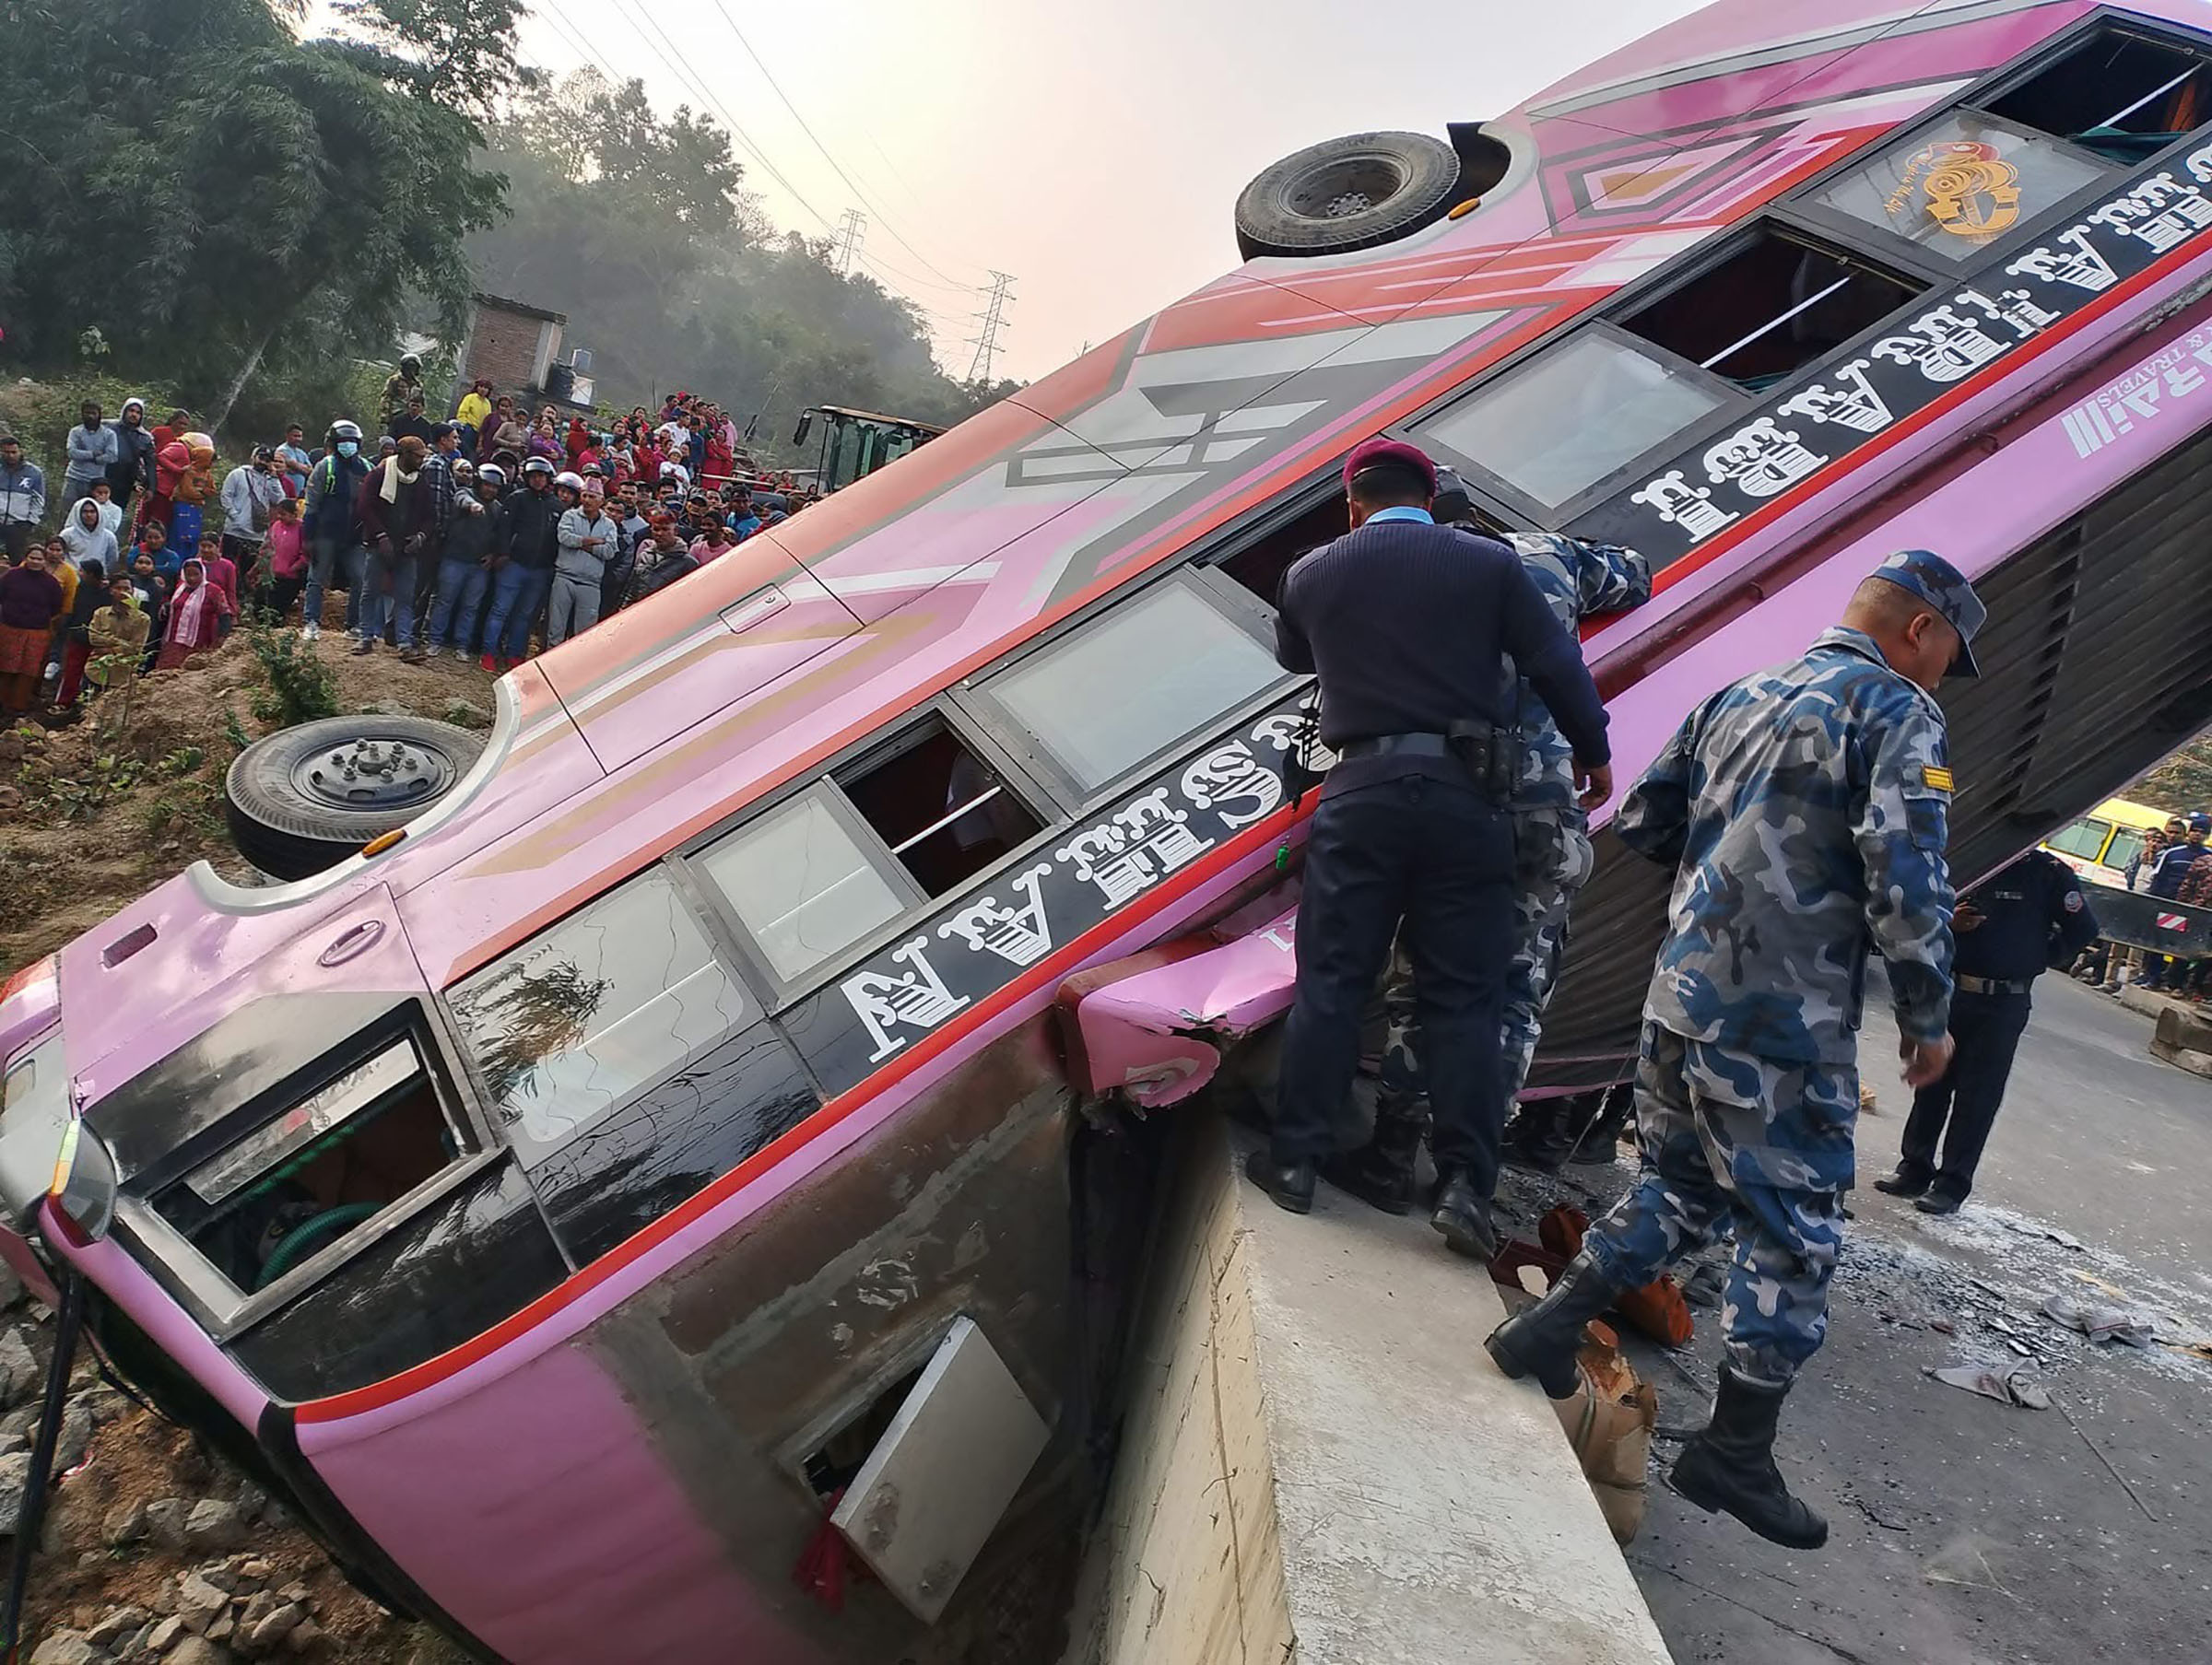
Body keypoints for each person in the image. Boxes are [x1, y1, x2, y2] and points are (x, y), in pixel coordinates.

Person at [1487, 547, 1982, 1551]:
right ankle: (1736, 1450)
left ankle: (1542, 1329)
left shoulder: (1740, 691)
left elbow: (1644, 817)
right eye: (1948, 655)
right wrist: (1928, 1015)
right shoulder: (1895, 712)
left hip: (1682, 996)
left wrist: (1732, 876)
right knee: (1795, 1227)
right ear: (1919, 629)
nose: (1942, 677)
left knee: (1682, 1188)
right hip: (1781, 1025)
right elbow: (1909, 873)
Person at [1245, 439, 1613, 1249]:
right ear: (1431, 493)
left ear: (1352, 504)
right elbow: (1556, 666)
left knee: (1335, 981)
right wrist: (1593, 751)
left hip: (1362, 794)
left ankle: (1296, 1165)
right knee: (1467, 1000)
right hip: (1468, 801)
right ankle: (1463, 1191)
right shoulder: (1489, 566)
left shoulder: (1313, 572)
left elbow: (1295, 654)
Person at [1875, 851, 2098, 1215]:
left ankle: (1951, 1184)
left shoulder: (2048, 873)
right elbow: (1921, 916)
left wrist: (2035, 957)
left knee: (1978, 1095)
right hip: (1952, 990)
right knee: (1933, 1083)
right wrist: (1951, 923)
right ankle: (1914, 1168)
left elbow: (2084, 929)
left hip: (2003, 1002)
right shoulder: (1977, 855)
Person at [355, 435, 434, 662]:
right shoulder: (379, 475)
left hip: (407, 547)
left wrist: (421, 536)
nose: (422, 461)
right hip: (378, 544)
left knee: (405, 597)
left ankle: (404, 644)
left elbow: (430, 516)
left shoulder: (419, 481)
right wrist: (381, 536)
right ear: (405, 455)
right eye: (418, 457)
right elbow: (364, 506)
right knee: (370, 591)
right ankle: (366, 637)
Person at [483, 455, 561, 671]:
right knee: (500, 610)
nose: (537, 480)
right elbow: (503, 528)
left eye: (541, 476)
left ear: (548, 478)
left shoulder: (556, 505)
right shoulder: (517, 498)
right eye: (533, 476)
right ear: (526, 478)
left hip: (540, 569)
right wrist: (503, 553)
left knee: (524, 616)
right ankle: (489, 652)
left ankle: (515, 654)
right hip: (514, 564)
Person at [301, 420, 371, 641]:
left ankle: (353, 625)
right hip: (326, 534)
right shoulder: (326, 466)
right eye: (343, 442)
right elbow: (311, 504)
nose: (348, 446)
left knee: (360, 579)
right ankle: (311, 622)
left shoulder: (367, 469)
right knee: (316, 579)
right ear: (334, 443)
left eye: (352, 442)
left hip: (354, 537)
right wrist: (309, 537)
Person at [428, 463, 503, 657]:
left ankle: (462, 644)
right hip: (455, 559)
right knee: (445, 601)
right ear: (479, 482)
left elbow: (499, 535)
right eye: (487, 485)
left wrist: (493, 554)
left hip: (479, 565)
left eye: (495, 487)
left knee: (470, 607)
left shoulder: (497, 509)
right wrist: (473, 506)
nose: (490, 489)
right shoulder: (465, 493)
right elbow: (462, 498)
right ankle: (434, 640)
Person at [548, 475, 616, 646]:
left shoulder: (609, 525)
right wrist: (594, 541)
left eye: (592, 496)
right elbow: (565, 538)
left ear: (601, 500)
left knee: (584, 635)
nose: (587, 500)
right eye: (584, 495)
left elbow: (609, 551)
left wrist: (581, 543)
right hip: (565, 576)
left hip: (591, 583)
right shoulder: (570, 515)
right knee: (556, 628)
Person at [0, 547, 65, 718]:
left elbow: (56, 607)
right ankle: (2, 702)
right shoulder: (11, 576)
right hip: (10, 628)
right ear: (26, 558)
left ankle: (19, 705)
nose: (36, 562)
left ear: (44, 561)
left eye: (39, 559)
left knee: (28, 670)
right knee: (6, 667)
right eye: (32, 558)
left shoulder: (51, 583)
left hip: (37, 632)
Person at [219, 445, 285, 591]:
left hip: (256, 533)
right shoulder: (237, 474)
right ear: (253, 457)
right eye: (261, 457)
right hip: (234, 531)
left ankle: (242, 599)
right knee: (227, 566)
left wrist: (274, 477)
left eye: (267, 459)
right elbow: (226, 496)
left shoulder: (269, 480)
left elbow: (280, 500)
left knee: (246, 571)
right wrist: (235, 516)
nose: (263, 462)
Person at [154, 557, 233, 670]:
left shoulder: (213, 591)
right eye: (188, 575)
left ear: (203, 573)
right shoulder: (179, 589)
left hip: (199, 642)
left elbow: (224, 614)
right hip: (174, 639)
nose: (192, 578)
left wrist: (222, 637)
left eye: (196, 574)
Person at [84, 574, 148, 701]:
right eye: (118, 588)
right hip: (95, 671)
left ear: (132, 591)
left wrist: (108, 649)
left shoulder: (142, 619)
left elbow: (135, 647)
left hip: (122, 676)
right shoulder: (100, 613)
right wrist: (120, 644)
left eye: (126, 588)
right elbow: (93, 638)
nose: (122, 592)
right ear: (111, 590)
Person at [53, 558, 106, 709]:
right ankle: (64, 702)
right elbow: (74, 610)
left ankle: (89, 706)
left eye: (82, 571)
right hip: (78, 637)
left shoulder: (107, 593)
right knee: (71, 670)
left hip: (98, 640)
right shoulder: (81, 588)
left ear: (91, 574)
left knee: (94, 673)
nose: (79, 573)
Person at [63, 399, 118, 519]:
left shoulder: (109, 434)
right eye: (87, 413)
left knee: (92, 515)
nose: (90, 416)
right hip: (74, 478)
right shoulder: (76, 432)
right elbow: (72, 453)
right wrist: (93, 454)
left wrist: (95, 458)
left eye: (93, 413)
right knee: (67, 513)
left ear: (99, 414)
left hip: (95, 481)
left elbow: (112, 456)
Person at [626, 510, 698, 602]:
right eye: (656, 529)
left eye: (665, 529)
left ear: (675, 531)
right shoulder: (645, 555)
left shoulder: (688, 562)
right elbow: (632, 588)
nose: (660, 534)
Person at [106, 398, 156, 522]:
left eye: (138, 412)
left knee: (115, 516)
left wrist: (151, 488)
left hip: (125, 482)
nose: (134, 414)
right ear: (124, 411)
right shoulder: (107, 427)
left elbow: (150, 464)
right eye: (131, 410)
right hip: (103, 476)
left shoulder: (145, 437)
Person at [260, 497, 308, 622]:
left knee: (278, 610)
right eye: (278, 514)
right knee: (262, 607)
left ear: (294, 515)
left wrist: (292, 569)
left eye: (284, 514)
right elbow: (268, 547)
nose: (280, 517)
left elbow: (306, 554)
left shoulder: (302, 528)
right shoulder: (276, 526)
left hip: (290, 578)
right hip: (272, 575)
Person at [0, 436, 41, 565]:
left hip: (19, 525)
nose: (11, 456)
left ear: (20, 451)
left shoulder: (34, 472)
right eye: (7, 452)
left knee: (16, 564)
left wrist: (31, 522)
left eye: (14, 452)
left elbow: (38, 500)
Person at [60, 497, 120, 577]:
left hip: (98, 579)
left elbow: (112, 560)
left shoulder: (108, 536)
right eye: (85, 512)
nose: (89, 515)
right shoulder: (67, 534)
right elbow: (61, 556)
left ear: (98, 513)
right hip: (72, 577)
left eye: (92, 512)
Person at [380, 354, 423, 431]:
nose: (411, 370)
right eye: (409, 367)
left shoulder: (418, 385)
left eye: (414, 367)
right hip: (395, 417)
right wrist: (385, 419)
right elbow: (386, 399)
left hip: (411, 419)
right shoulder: (394, 380)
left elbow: (421, 404)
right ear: (404, 367)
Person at [276, 423, 313, 502]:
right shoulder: (282, 450)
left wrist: (295, 467)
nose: (298, 439)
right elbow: (294, 464)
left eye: (299, 436)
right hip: (286, 494)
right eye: (295, 436)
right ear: (287, 435)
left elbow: (310, 470)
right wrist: (300, 468)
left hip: (300, 495)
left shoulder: (302, 453)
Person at [454, 378, 493, 453]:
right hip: (469, 429)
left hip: (480, 433)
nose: (483, 389)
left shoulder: (487, 403)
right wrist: (464, 425)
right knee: (465, 450)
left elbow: (488, 419)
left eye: (485, 388)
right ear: (477, 387)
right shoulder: (470, 397)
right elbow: (462, 413)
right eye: (481, 386)